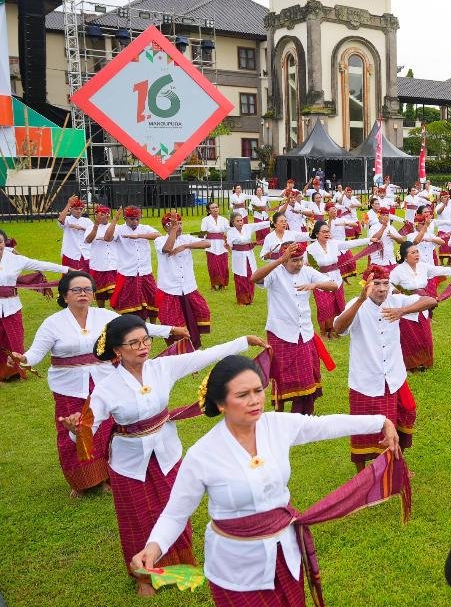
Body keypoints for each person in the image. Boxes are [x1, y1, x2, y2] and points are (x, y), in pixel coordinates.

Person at [130, 355, 400, 605]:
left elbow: (323, 425)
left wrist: (381, 422)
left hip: (285, 554)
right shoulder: (202, 454)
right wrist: (153, 549)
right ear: (221, 403)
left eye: (258, 390)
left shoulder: (276, 425)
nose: (255, 400)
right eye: (243, 395)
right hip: (236, 567)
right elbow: (176, 514)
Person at [59, 315, 265, 595]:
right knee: (137, 517)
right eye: (134, 343)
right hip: (128, 462)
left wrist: (244, 342)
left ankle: (179, 565)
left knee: (175, 509)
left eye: (146, 340)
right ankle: (144, 577)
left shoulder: (162, 367)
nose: (143, 347)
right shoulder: (106, 388)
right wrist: (74, 430)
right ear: (118, 350)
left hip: (167, 453)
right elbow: (88, 427)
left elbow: (204, 357)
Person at [10, 271, 180, 496]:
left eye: (87, 289)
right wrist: (24, 359)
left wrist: (170, 330)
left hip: (104, 382)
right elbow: (35, 353)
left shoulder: (104, 316)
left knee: (105, 430)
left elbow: (134, 327)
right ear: (65, 295)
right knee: (74, 430)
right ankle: (82, 482)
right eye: (76, 290)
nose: (83, 294)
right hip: (68, 388)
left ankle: (106, 476)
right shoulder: (53, 324)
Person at [334, 265, 434, 469]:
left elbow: (431, 300)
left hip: (395, 376)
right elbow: (338, 328)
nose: (381, 289)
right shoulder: (356, 304)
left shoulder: (395, 300)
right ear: (366, 285)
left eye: (385, 284)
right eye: (376, 284)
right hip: (366, 378)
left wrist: (402, 311)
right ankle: (362, 473)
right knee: (364, 426)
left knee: (407, 412)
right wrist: (361, 300)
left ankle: (396, 462)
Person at [250, 242, 339, 415]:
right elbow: (254, 278)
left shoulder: (307, 271)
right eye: (294, 260)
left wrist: (314, 285)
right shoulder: (275, 272)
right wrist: (278, 261)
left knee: (307, 372)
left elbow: (334, 285)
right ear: (284, 260)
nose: (298, 263)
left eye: (300, 259)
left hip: (304, 332)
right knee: (281, 374)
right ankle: (280, 411)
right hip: (280, 332)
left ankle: (303, 413)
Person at [0, 228, 69, 368]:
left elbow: (41, 264)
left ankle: (13, 370)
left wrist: (67, 269)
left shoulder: (16, 260)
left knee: (14, 337)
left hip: (11, 307)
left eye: (0, 242)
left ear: (4, 243)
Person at [391, 241, 451, 371]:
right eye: (413, 252)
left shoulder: (423, 267)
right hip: (408, 307)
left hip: (423, 304)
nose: (417, 254)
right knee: (411, 336)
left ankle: (424, 361)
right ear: (405, 256)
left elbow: (438, 269)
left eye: (417, 251)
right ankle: (411, 365)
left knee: (425, 334)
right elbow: (388, 284)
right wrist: (394, 291)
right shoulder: (398, 270)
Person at [155, 212, 213, 347]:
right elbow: (167, 249)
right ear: (165, 227)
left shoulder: (187, 239)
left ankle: (193, 348)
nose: (178, 226)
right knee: (173, 323)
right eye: (173, 224)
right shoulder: (160, 240)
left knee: (197, 317)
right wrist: (173, 231)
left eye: (180, 223)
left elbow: (207, 243)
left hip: (188, 288)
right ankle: (177, 351)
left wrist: (186, 246)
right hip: (170, 289)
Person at [306, 220, 370, 337]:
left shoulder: (333, 244)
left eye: (328, 232)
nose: (326, 234)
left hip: (337, 280)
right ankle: (325, 332)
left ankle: (338, 330)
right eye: (323, 232)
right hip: (320, 283)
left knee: (338, 304)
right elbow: (304, 265)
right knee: (324, 307)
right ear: (316, 233)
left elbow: (352, 244)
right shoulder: (310, 249)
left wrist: (369, 240)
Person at [104, 206, 161, 320]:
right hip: (128, 273)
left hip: (145, 272)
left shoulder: (144, 228)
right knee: (128, 304)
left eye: (137, 219)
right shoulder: (119, 229)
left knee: (152, 301)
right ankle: (133, 325)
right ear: (125, 218)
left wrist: (138, 236)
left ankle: (152, 329)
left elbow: (158, 235)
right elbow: (107, 238)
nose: (135, 222)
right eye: (131, 219)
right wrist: (115, 220)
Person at [226, 211, 270, 306]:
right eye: (237, 221)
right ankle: (242, 300)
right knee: (240, 277)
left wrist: (274, 220)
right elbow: (229, 244)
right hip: (238, 257)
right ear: (233, 222)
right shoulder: (230, 232)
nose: (240, 222)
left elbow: (261, 225)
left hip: (249, 255)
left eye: (241, 220)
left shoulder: (248, 227)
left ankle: (250, 298)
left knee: (250, 275)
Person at [85, 205, 119, 307]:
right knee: (100, 294)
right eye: (98, 214)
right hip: (98, 265)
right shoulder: (90, 227)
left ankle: (117, 313)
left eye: (103, 214)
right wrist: (96, 226)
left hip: (113, 265)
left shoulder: (116, 227)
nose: (99, 216)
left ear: (108, 215)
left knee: (114, 293)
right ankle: (101, 311)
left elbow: (109, 237)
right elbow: (88, 240)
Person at [201, 202, 231, 291]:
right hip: (211, 245)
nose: (215, 209)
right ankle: (213, 284)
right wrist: (202, 240)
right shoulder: (205, 220)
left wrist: (227, 238)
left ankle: (222, 284)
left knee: (223, 265)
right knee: (213, 265)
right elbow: (203, 232)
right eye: (213, 208)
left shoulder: (224, 220)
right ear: (209, 210)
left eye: (216, 207)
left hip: (222, 244)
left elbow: (229, 231)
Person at [57, 196, 92, 271]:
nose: (79, 211)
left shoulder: (87, 221)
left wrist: (82, 228)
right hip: (70, 254)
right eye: (76, 209)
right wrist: (69, 204)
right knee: (69, 279)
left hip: (86, 254)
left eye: (81, 209)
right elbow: (60, 219)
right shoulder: (67, 219)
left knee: (88, 279)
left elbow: (93, 233)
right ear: (71, 209)